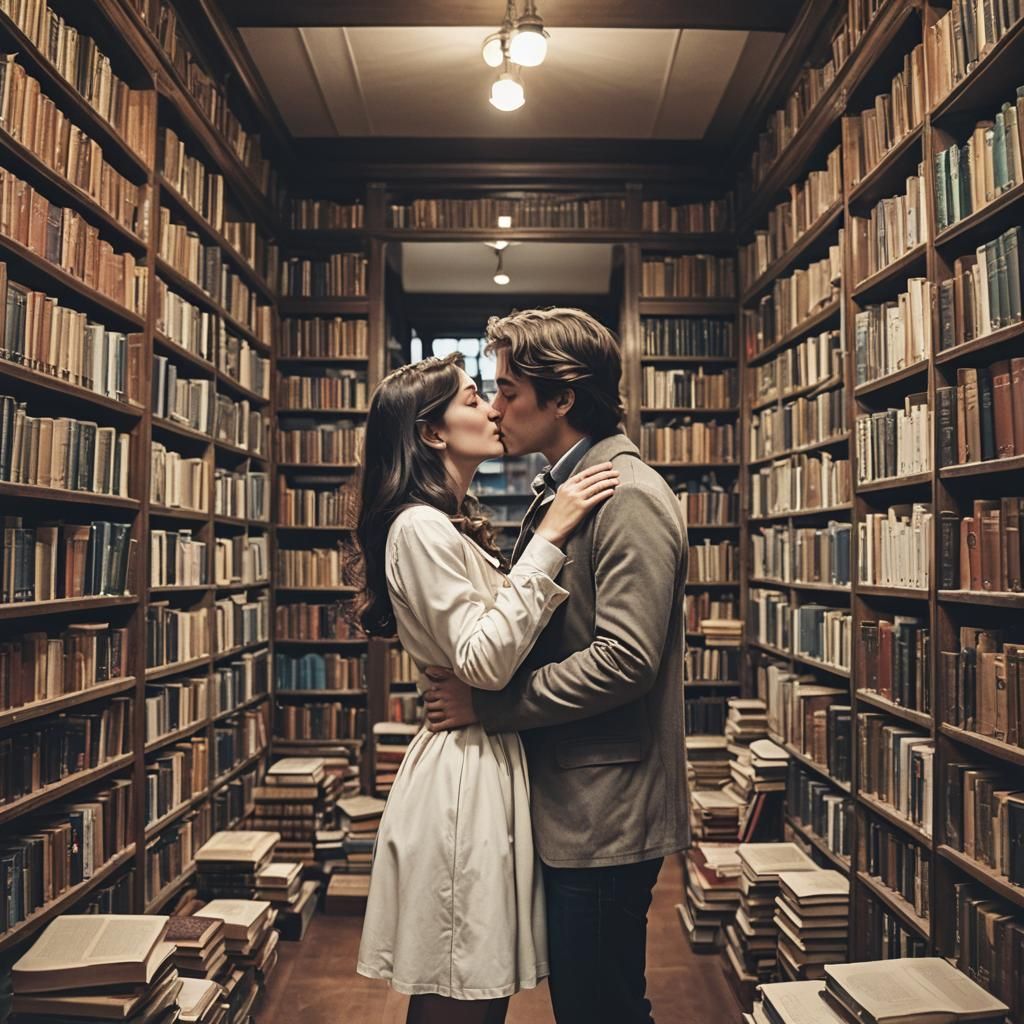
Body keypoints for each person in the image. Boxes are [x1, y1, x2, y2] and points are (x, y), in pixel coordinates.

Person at [423, 307, 691, 1024]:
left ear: (563, 398)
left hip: (605, 811)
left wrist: (491, 707)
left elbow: (625, 660)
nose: (496, 406)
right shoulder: (568, 489)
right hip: (576, 801)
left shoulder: (626, 495)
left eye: (509, 391)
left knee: (601, 1010)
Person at [354, 353, 620, 1024]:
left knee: (473, 980)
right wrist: (552, 535)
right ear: (432, 432)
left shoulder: (440, 523)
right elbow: (483, 661)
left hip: (482, 762)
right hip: (461, 781)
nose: (495, 410)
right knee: (461, 981)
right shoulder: (418, 527)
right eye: (475, 400)